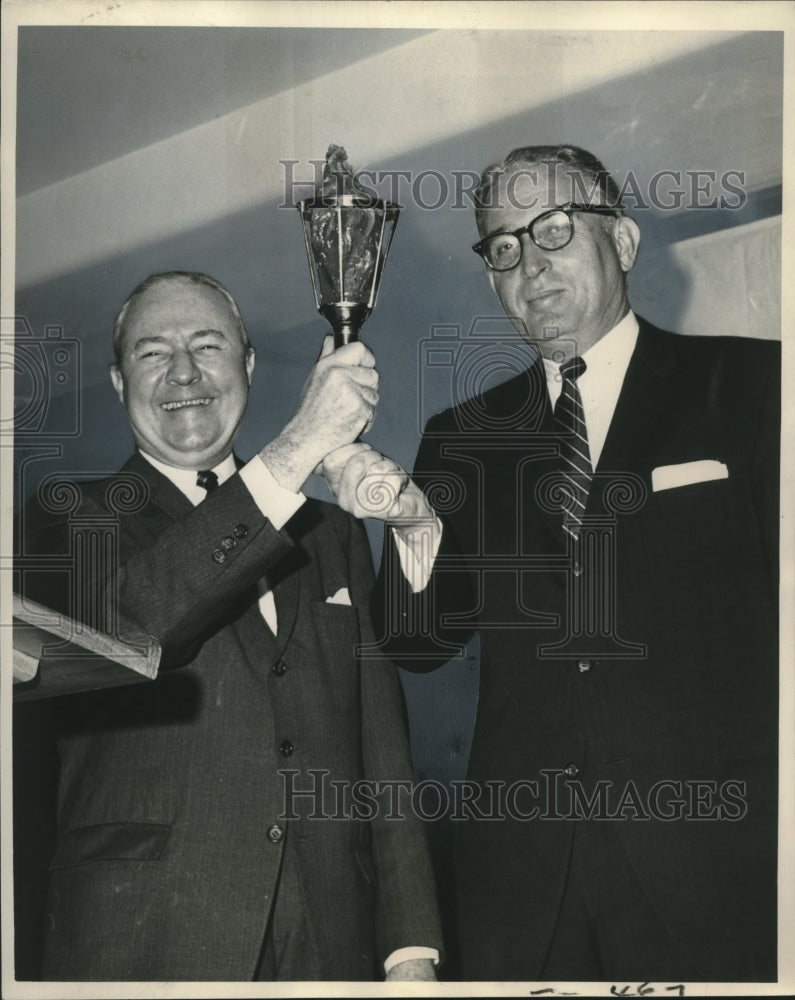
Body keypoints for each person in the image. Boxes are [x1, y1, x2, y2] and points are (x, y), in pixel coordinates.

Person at [321, 145, 780, 982]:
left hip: (721, 860)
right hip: (522, 878)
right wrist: (417, 526)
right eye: (502, 245)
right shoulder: (461, 437)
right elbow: (418, 646)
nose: (529, 263)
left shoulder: (753, 383)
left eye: (555, 230)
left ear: (625, 243)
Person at [16, 271, 442, 982]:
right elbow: (137, 631)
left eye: (208, 346)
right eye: (153, 353)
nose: (184, 371)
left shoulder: (331, 535)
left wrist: (409, 948)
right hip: (149, 939)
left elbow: (381, 751)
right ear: (119, 381)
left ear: (246, 366)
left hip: (329, 936)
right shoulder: (64, 517)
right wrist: (298, 445)